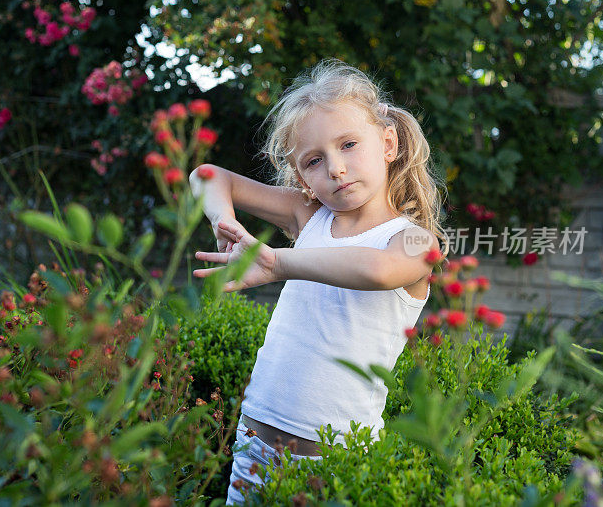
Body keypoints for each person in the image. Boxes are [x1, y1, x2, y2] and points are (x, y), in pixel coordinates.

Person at [188, 58, 449, 505]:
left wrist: (280, 264)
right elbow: (207, 176)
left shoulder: (413, 239)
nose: (336, 168)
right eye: (314, 161)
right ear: (302, 179)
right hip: (255, 435)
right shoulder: (309, 216)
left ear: (388, 143)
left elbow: (377, 271)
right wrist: (223, 221)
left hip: (330, 454)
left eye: (349, 144)